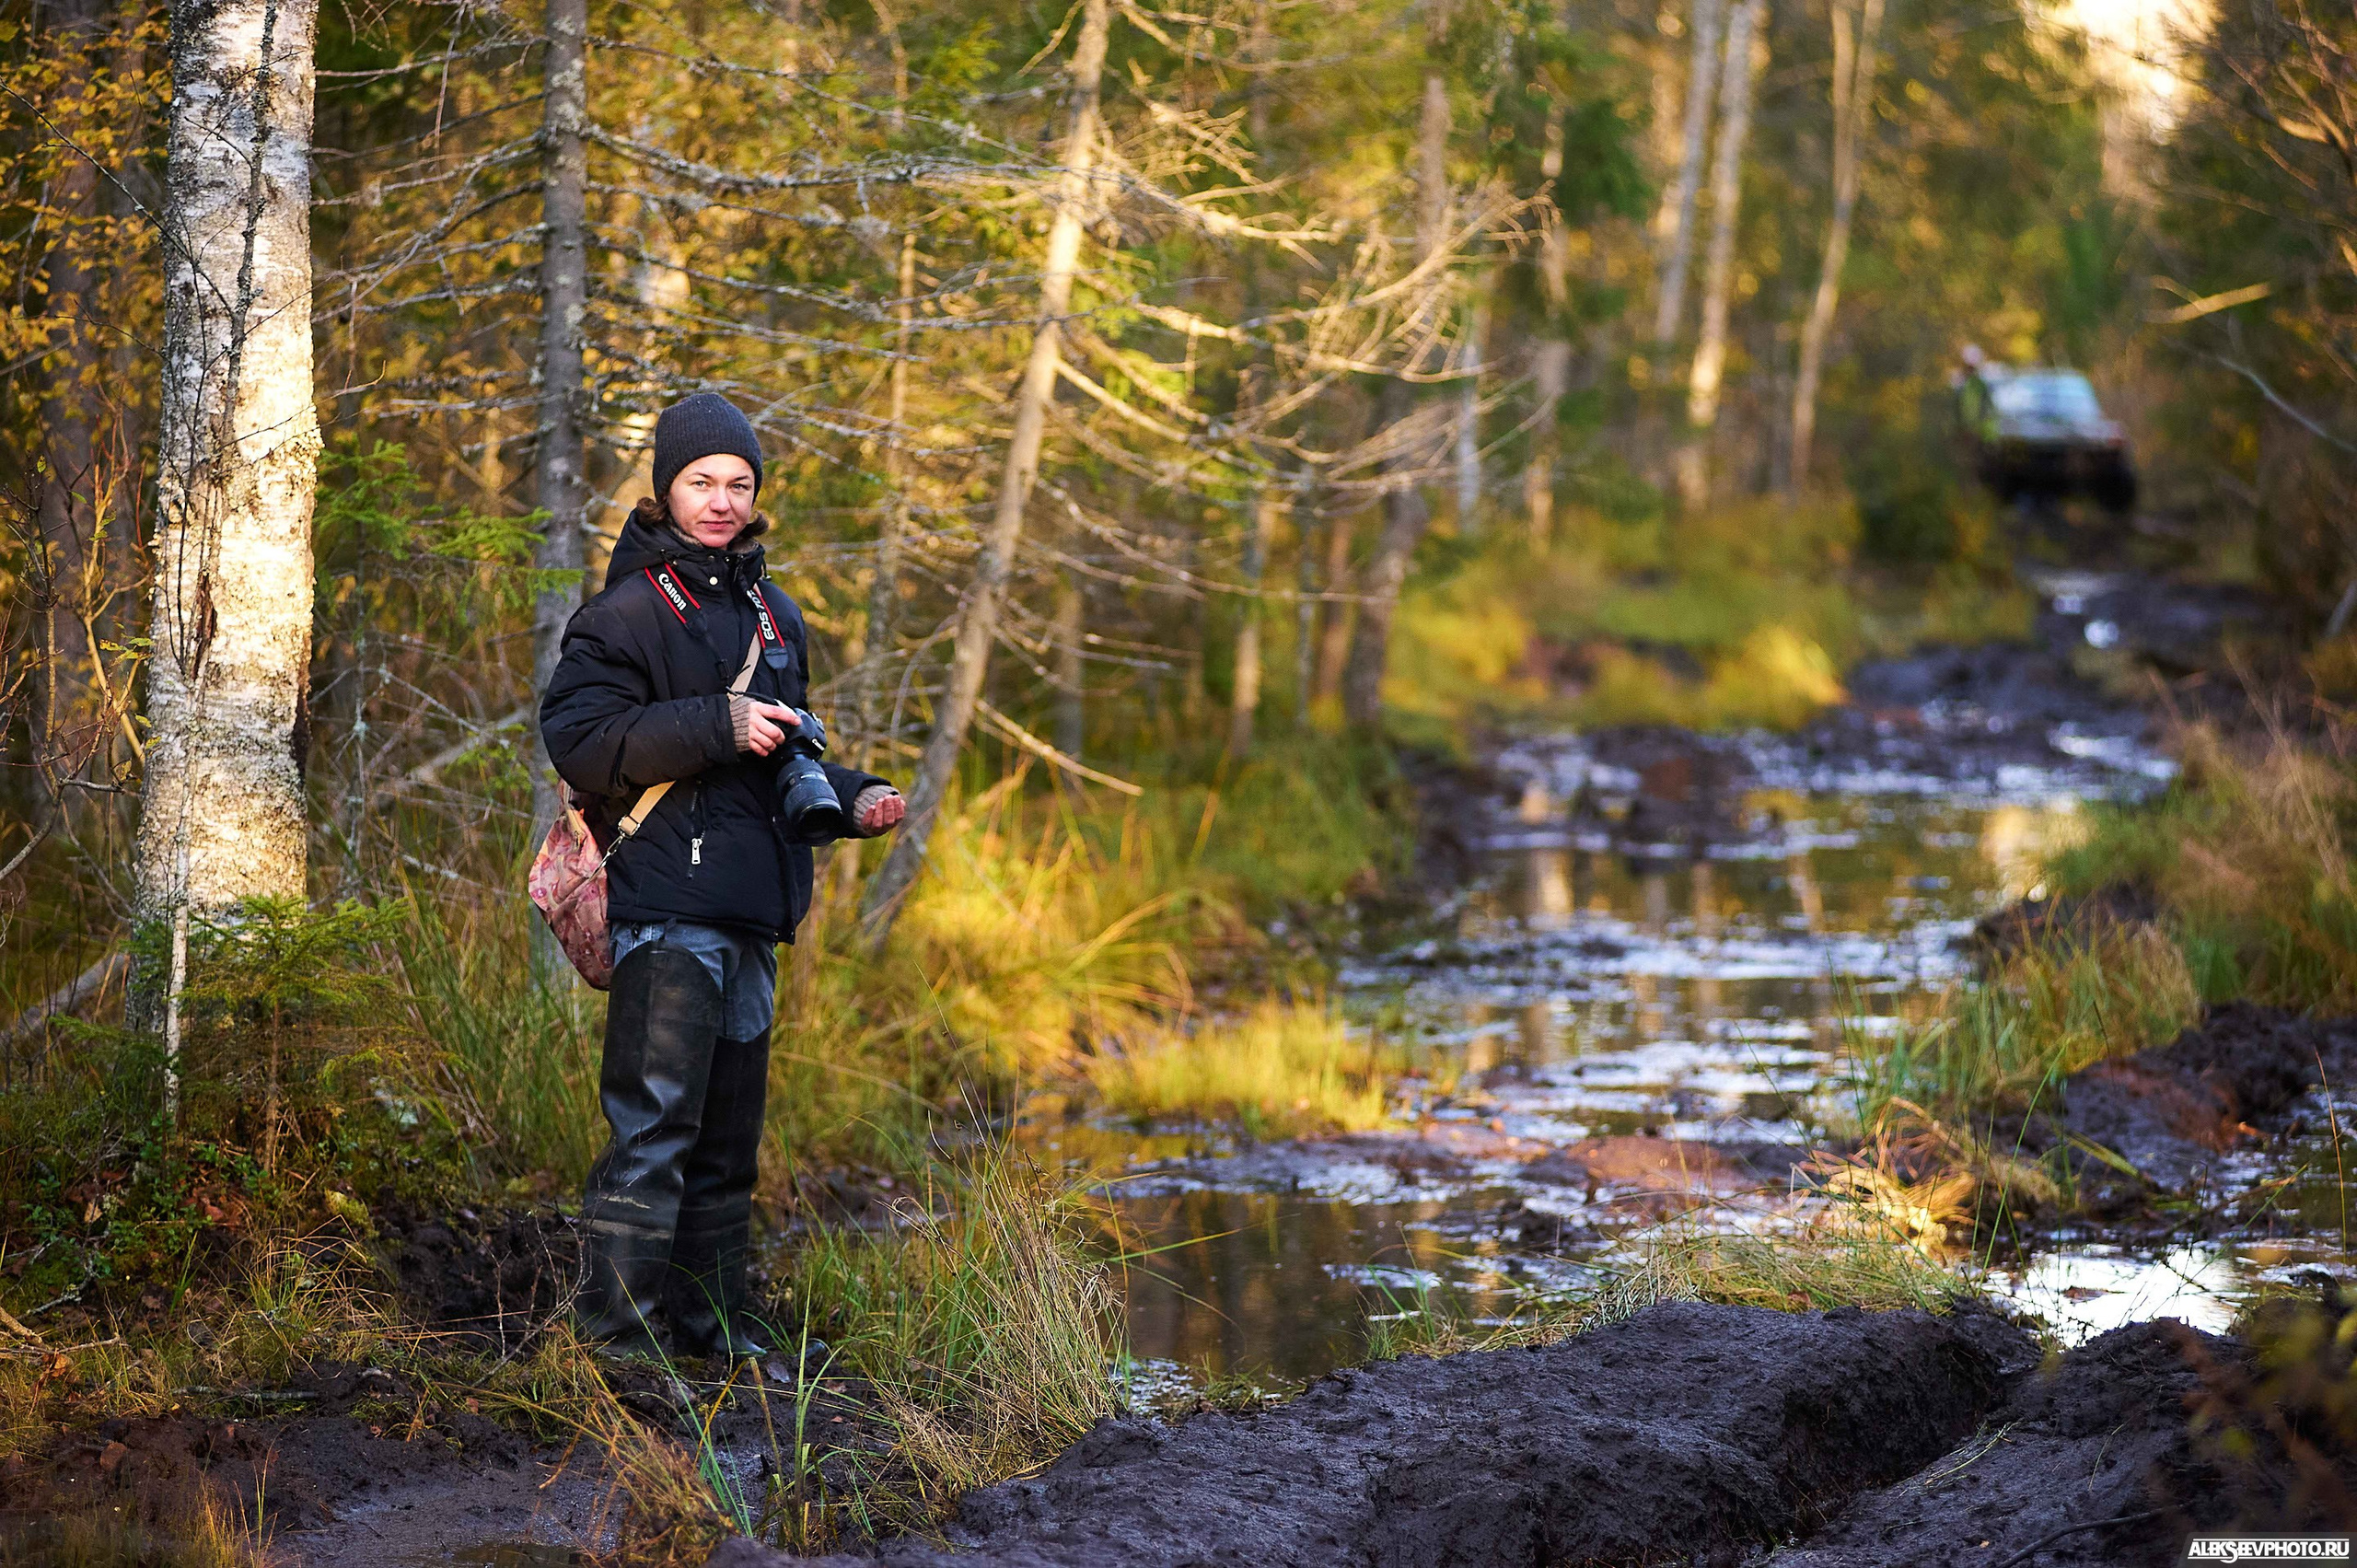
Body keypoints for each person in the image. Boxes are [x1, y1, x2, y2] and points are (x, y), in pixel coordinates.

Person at [540, 391, 906, 1364]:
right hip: (668, 909)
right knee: (653, 1136)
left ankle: (713, 1334)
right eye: (702, 481)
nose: (721, 500)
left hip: (752, 911)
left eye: (739, 484)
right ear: (666, 487)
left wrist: (855, 794)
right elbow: (581, 742)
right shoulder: (623, 613)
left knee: (727, 1148)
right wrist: (718, 722)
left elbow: (779, 757)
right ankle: (617, 1348)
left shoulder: (775, 613)